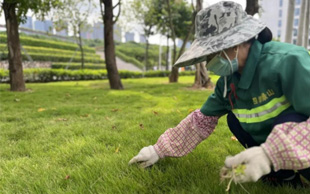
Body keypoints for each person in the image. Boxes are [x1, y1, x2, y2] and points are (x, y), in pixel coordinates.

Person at [129, 1, 310, 187]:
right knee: (234, 120)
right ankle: (283, 177)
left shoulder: (288, 61)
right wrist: (158, 150)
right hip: (276, 149)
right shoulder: (228, 83)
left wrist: (270, 153)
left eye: (213, 52)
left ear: (237, 43)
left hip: (304, 148)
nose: (209, 61)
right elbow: (200, 121)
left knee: (288, 118)